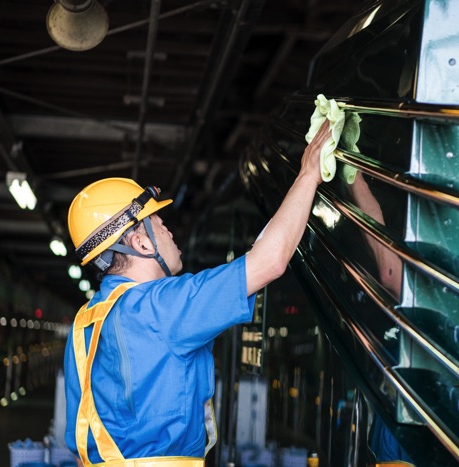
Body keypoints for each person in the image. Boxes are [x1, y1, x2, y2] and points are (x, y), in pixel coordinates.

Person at [63, 122, 332, 466]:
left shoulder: (87, 319)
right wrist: (308, 174)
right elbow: (270, 262)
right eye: (160, 224)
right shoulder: (162, 307)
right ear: (140, 242)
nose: (170, 232)